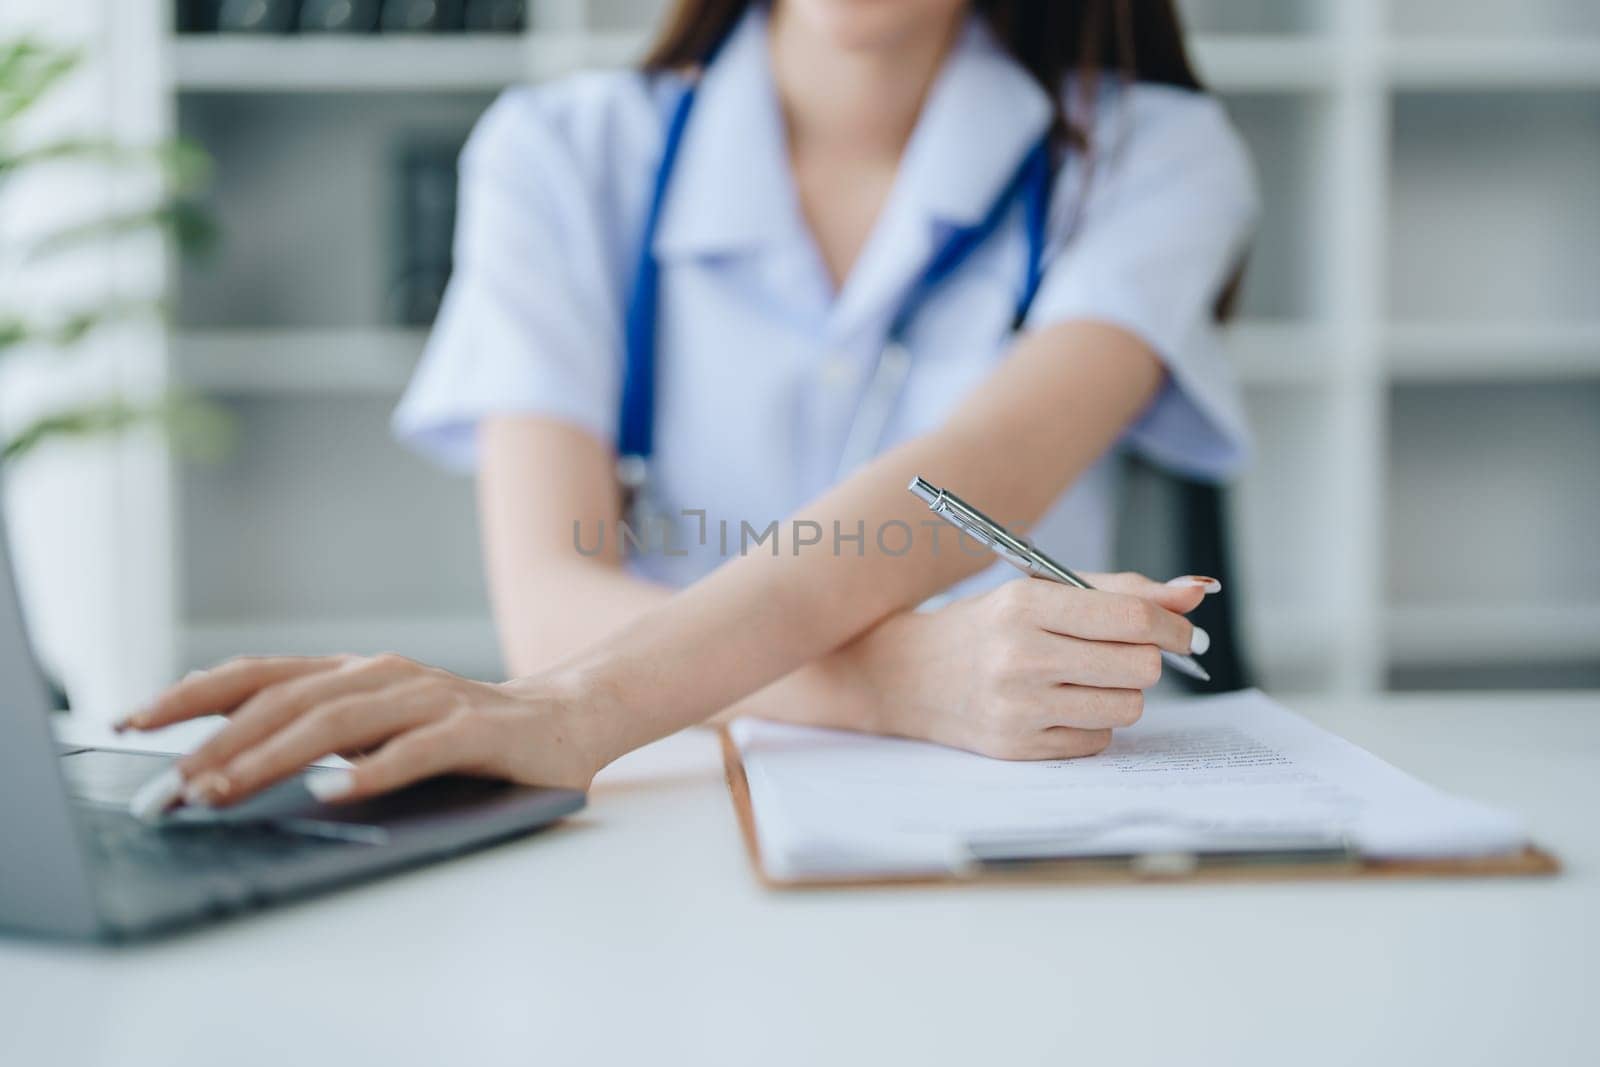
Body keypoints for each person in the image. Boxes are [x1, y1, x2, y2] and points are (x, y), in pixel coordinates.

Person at [120, 0, 1258, 809]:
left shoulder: (1149, 154)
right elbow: (547, 610)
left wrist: (587, 704)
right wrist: (913, 679)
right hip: (676, 801)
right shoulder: (558, 152)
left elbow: (973, 472)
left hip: (1013, 811)